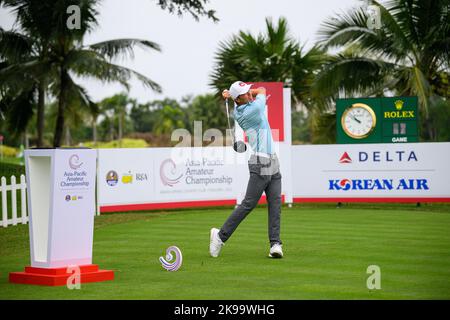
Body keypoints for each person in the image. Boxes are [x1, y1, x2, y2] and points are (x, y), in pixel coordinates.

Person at [209, 80, 283, 258]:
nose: (251, 94)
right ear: (239, 100)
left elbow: (255, 92)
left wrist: (235, 94)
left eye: (250, 91)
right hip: (260, 162)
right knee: (248, 204)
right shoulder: (253, 110)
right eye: (246, 94)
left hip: (273, 161)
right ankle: (220, 236)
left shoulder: (241, 107)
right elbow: (263, 90)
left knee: (275, 204)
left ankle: (275, 244)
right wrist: (235, 94)